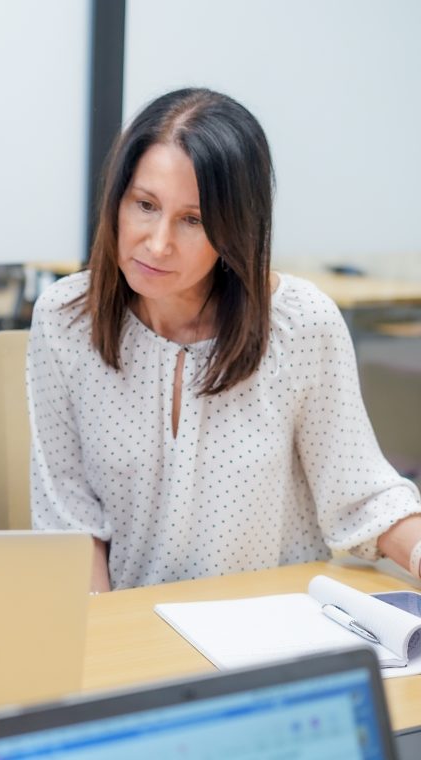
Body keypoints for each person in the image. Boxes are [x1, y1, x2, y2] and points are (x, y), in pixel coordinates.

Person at [27, 88, 421, 592]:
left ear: (235, 228)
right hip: (135, 630)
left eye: (193, 220)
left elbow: (364, 495)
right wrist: (102, 640)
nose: (158, 242)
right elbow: (71, 521)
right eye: (145, 205)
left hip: (271, 627)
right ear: (117, 199)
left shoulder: (301, 324)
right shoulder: (65, 320)